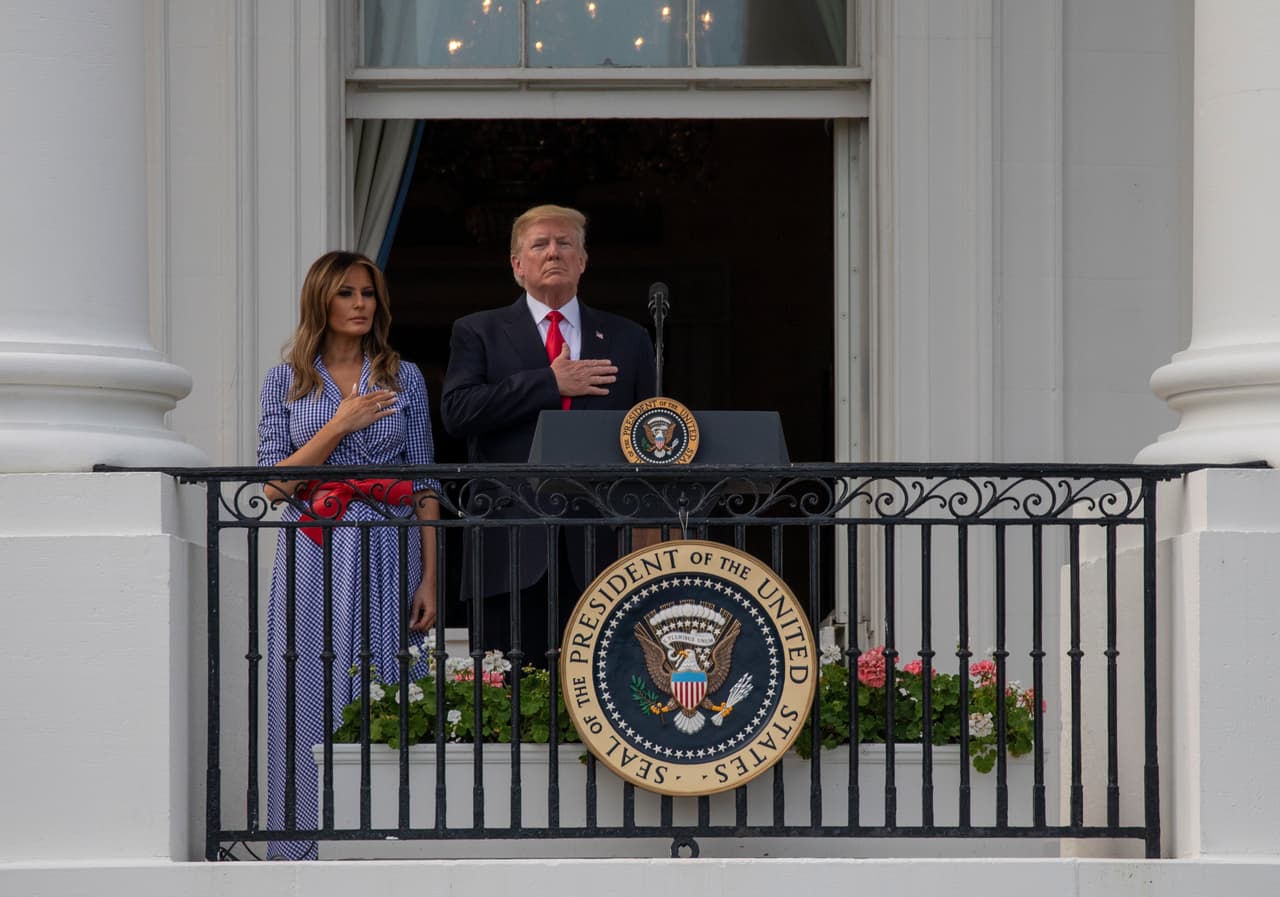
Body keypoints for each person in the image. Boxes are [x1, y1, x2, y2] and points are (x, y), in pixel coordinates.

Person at [257, 250, 440, 861]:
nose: (361, 305)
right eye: (347, 294)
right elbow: (274, 484)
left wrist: (431, 578)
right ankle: (301, 843)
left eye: (368, 294)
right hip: (313, 547)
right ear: (321, 302)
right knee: (308, 679)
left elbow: (423, 482)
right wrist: (338, 424)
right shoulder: (284, 380)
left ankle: (387, 837)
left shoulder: (402, 375)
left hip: (387, 544)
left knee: (388, 679)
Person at [441, 204, 656, 667]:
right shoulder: (478, 331)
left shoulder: (628, 338)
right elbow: (457, 412)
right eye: (539, 244)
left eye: (565, 243)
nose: (553, 252)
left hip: (601, 545)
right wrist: (548, 383)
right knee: (509, 703)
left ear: (583, 260)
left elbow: (650, 436)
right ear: (517, 265)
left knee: (607, 686)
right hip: (509, 543)